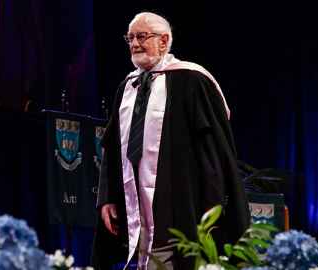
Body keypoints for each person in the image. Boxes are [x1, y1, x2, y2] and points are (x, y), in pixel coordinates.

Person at [92, 12, 250, 269]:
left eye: (142, 36)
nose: (134, 44)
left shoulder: (192, 80)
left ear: (164, 41)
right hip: (134, 208)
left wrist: (213, 204)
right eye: (130, 38)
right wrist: (107, 197)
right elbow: (111, 147)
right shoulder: (127, 86)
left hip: (180, 203)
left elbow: (213, 150)